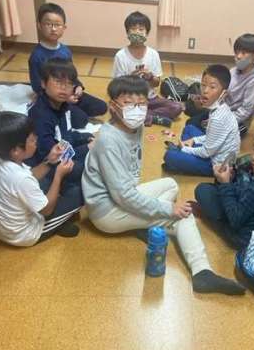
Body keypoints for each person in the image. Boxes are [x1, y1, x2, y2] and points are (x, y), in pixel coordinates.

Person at [82, 75, 245, 296]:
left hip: (120, 197)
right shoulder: (109, 141)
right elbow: (124, 196)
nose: (137, 110)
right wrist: (168, 210)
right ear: (113, 106)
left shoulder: (134, 127)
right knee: (183, 216)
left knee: (170, 184)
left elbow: (128, 185)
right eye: (129, 104)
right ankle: (202, 273)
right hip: (107, 211)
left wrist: (152, 209)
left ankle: (145, 225)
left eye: (141, 104)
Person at [0, 111, 83, 246]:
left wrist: (49, 161)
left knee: (47, 182)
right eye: (31, 139)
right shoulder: (20, 178)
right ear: (16, 150)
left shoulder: (0, 159)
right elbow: (46, 210)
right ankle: (57, 225)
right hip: (23, 234)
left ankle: (61, 221)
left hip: (2, 228)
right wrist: (59, 176)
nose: (36, 140)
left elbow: (30, 176)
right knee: (79, 192)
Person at [28, 2, 107, 128]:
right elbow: (38, 87)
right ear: (39, 25)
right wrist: (64, 98)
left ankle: (72, 110)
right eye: (48, 24)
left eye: (57, 25)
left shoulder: (65, 51)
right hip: (52, 99)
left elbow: (71, 75)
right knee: (81, 121)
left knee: (102, 107)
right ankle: (64, 112)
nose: (53, 29)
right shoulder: (37, 56)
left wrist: (78, 86)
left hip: (70, 92)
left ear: (64, 27)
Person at [163, 65, 240, 177]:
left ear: (224, 93)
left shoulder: (218, 118)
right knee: (189, 128)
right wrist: (193, 140)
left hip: (216, 165)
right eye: (203, 85)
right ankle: (185, 153)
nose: (205, 91)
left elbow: (207, 152)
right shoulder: (219, 108)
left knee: (169, 156)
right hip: (213, 151)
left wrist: (185, 149)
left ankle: (183, 153)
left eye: (212, 87)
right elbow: (210, 136)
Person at [27, 58, 94, 184]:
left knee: (93, 142)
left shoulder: (64, 105)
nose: (64, 88)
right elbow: (53, 155)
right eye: (58, 82)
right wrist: (86, 148)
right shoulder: (40, 115)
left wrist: (86, 139)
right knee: (86, 167)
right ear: (43, 83)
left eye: (69, 83)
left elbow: (67, 135)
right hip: (46, 162)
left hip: (61, 148)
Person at [112, 11, 183, 127]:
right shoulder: (121, 56)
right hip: (130, 100)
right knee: (117, 109)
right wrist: (131, 78)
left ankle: (145, 116)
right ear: (127, 32)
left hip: (150, 99)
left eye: (141, 29)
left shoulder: (153, 54)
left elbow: (156, 83)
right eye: (133, 29)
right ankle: (148, 116)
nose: (137, 32)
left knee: (177, 107)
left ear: (147, 33)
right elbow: (117, 87)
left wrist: (150, 77)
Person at [186, 34, 254, 137]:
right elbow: (222, 94)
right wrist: (208, 103)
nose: (238, 56)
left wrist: (218, 121)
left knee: (208, 135)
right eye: (237, 52)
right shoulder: (233, 71)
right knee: (191, 123)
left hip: (237, 121)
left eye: (243, 53)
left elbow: (245, 112)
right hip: (221, 112)